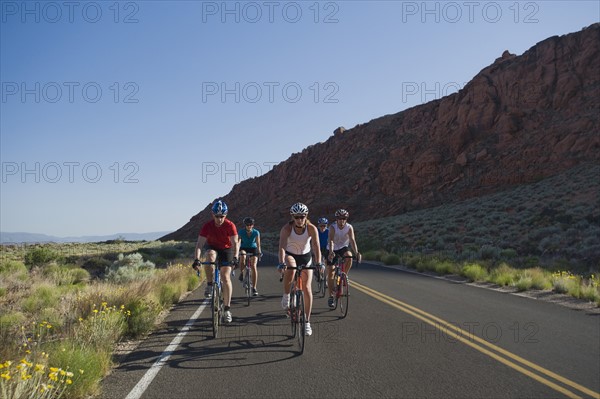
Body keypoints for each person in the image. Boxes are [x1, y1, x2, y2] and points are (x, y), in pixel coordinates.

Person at [278, 202, 322, 336]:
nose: (299, 219)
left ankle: (307, 321)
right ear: (292, 217)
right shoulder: (286, 229)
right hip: (290, 255)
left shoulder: (311, 228)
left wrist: (319, 262)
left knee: (307, 288)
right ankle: (286, 296)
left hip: (305, 256)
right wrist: (281, 262)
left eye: (302, 216)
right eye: (296, 217)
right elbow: (282, 247)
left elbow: (316, 246)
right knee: (290, 269)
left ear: (306, 216)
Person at [192, 200, 239, 323]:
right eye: (217, 216)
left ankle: (227, 309)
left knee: (225, 276)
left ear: (226, 215)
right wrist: (196, 259)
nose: (219, 219)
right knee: (210, 255)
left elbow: (235, 243)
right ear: (213, 215)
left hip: (226, 249)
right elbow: (199, 245)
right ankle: (209, 284)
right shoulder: (207, 226)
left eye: (222, 216)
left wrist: (235, 257)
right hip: (212, 246)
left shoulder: (230, 225)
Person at [326, 208, 361, 309]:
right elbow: (331, 241)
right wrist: (331, 252)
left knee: (349, 257)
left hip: (342, 247)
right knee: (331, 271)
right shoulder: (332, 227)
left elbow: (352, 241)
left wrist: (357, 253)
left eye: (344, 218)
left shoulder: (349, 227)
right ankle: (331, 296)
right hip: (332, 248)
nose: (342, 221)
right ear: (336, 219)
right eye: (340, 219)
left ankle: (344, 275)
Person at [238, 217, 262, 296]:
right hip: (244, 247)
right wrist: (237, 251)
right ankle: (241, 272)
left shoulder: (256, 232)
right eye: (247, 225)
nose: (249, 226)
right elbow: (238, 242)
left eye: (250, 224)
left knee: (253, 266)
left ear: (253, 225)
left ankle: (254, 288)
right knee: (243, 257)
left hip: (253, 248)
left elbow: (258, 243)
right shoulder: (241, 232)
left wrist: (259, 252)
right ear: (245, 225)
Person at [316, 217, 329, 281]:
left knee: (326, 263)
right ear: (318, 226)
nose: (322, 227)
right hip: (318, 247)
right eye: (321, 225)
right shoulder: (316, 231)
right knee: (318, 260)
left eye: (324, 225)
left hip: (326, 248)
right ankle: (317, 272)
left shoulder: (328, 231)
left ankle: (325, 279)